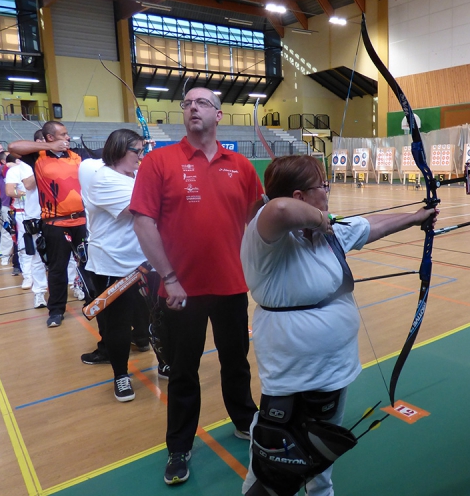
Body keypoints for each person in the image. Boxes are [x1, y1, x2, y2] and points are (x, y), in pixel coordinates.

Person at [239, 155, 438, 496]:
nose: (328, 191)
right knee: (277, 447)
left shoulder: (326, 235)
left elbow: (370, 225)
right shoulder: (267, 235)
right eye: (322, 185)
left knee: (323, 445)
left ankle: (321, 491)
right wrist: (322, 219)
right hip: (293, 368)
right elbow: (280, 211)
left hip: (335, 365)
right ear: (300, 196)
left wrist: (416, 217)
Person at [130, 86, 262, 485]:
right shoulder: (158, 162)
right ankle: (179, 447)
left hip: (231, 286)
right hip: (179, 291)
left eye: (202, 103)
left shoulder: (240, 165)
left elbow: (258, 222)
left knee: (236, 361)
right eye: (186, 103)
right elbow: (142, 221)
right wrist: (169, 278)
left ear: (219, 115)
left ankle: (244, 420)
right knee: (183, 372)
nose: (192, 108)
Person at [80, 129, 155, 400]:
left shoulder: (135, 175)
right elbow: (140, 208)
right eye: (137, 150)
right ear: (120, 150)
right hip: (114, 264)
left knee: (155, 317)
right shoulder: (104, 179)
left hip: (147, 260)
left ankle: (166, 359)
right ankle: (121, 375)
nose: (141, 155)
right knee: (118, 326)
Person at [8, 121, 95, 327]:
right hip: (55, 223)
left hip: (80, 220)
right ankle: (56, 310)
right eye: (63, 134)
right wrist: (48, 148)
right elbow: (12, 147)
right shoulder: (38, 157)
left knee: (87, 264)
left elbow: (105, 153)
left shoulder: (77, 154)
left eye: (66, 134)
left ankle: (94, 301)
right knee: (58, 268)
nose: (67, 138)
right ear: (49, 138)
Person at [5, 153, 48, 301]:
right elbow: (10, 191)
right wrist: (24, 193)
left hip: (50, 213)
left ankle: (73, 282)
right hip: (25, 213)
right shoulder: (17, 169)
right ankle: (29, 278)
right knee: (28, 249)